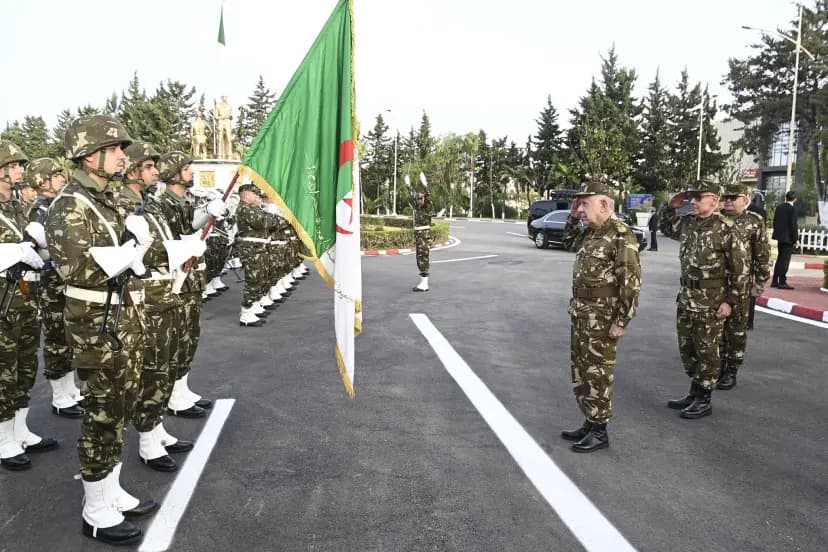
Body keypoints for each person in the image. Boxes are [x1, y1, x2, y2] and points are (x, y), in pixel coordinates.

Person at [45, 115, 157, 544]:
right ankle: (95, 507)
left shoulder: (109, 200)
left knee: (122, 406)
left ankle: (111, 492)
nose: (121, 156)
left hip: (121, 316)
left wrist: (139, 247)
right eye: (114, 149)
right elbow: (75, 267)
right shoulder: (70, 204)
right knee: (102, 412)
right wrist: (130, 249)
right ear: (89, 154)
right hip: (95, 323)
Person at [120, 142, 201, 472]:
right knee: (151, 371)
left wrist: (182, 247)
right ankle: (148, 443)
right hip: (142, 301)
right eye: (149, 166)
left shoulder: (148, 206)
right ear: (134, 171)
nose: (156, 171)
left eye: (156, 166)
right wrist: (173, 251)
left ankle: (156, 430)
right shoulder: (124, 204)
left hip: (161, 295)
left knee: (163, 367)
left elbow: (166, 240)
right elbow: (136, 253)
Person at [560, 180, 641, 452]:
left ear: (604, 205)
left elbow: (631, 281)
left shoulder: (620, 234)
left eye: (586, 203)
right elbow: (568, 242)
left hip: (603, 317)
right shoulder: (590, 233)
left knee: (598, 373)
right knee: (581, 371)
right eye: (579, 204)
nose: (581, 209)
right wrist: (573, 217)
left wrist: (622, 320)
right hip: (582, 313)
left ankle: (600, 430)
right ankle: (590, 420)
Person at [659, 180, 749, 419]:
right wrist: (670, 206)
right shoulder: (689, 224)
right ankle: (695, 390)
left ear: (714, 201)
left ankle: (704, 398)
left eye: (699, 198)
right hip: (687, 298)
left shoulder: (727, 228)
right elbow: (666, 227)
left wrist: (730, 301)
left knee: (707, 350)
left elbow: (740, 271)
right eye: (692, 198)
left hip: (711, 302)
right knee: (688, 350)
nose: (693, 202)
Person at [0, 141, 58, 472]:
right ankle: (2, 437)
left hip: (26, 299)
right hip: (3, 301)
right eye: (16, 164)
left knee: (24, 367)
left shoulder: (21, 208)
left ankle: (19, 430)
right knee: (3, 371)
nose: (22, 169)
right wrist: (13, 253)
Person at [157, 151, 218, 417]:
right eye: (186, 168)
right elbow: (183, 228)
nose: (192, 171)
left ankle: (181, 388)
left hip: (193, 278)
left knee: (190, 336)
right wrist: (205, 214)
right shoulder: (163, 203)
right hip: (178, 277)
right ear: (173, 173)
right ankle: (173, 396)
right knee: (178, 339)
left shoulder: (189, 198)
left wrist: (208, 211)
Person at [25, 158, 84, 418]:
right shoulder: (41, 209)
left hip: (63, 281)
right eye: (56, 175)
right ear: (42, 181)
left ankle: (71, 390)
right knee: (57, 338)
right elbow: (40, 245)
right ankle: (60, 396)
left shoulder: (56, 205)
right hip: (50, 283)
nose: (62, 178)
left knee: (68, 336)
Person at [717, 184, 770, 390]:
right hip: (716, 284)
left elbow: (762, 253)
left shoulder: (754, 221)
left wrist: (761, 280)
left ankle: (731, 370)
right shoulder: (717, 219)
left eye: (733, 197)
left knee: (736, 329)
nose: (728, 201)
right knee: (716, 328)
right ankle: (718, 366)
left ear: (745, 199)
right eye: (726, 198)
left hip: (741, 284)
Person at [235, 183, 281, 326]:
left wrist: (271, 216)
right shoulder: (244, 208)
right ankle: (246, 313)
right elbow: (264, 222)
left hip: (258, 248)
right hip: (251, 250)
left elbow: (273, 224)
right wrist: (272, 214)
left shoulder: (253, 208)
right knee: (253, 281)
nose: (257, 197)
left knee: (260, 279)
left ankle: (254, 307)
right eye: (255, 194)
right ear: (246, 194)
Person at [745, 193, 767, 329]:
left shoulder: (759, 212)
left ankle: (749, 321)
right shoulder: (726, 212)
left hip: (751, 258)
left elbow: (761, 237)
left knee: (750, 293)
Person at [771, 190, 797, 290]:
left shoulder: (779, 207)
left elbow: (775, 221)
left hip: (779, 237)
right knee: (785, 261)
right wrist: (795, 239)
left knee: (779, 259)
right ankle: (782, 281)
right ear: (794, 199)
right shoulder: (792, 209)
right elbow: (793, 225)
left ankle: (774, 280)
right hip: (788, 238)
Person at [410, 172, 432, 292]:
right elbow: (411, 197)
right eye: (417, 198)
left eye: (421, 198)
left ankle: (424, 284)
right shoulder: (417, 209)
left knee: (423, 257)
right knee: (419, 257)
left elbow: (428, 197)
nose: (419, 200)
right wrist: (409, 186)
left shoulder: (427, 208)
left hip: (424, 236)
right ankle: (423, 282)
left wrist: (425, 185)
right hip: (419, 236)